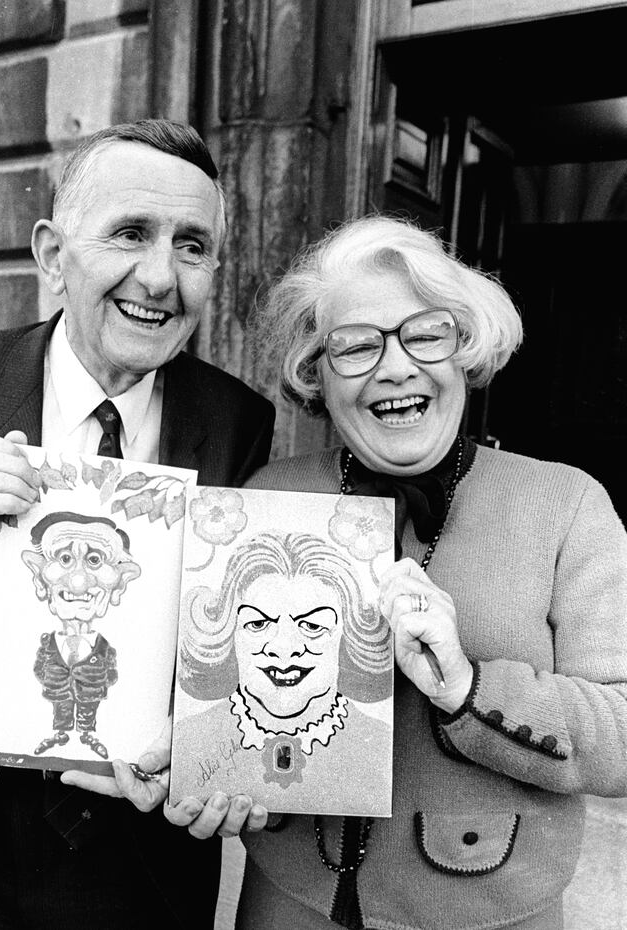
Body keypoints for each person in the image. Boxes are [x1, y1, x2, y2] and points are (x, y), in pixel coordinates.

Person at [0, 118, 275, 930]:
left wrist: (218, 752)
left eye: (192, 246)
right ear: (51, 255)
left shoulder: (238, 420)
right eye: (130, 234)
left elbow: (233, 638)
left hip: (137, 858)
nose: (159, 277)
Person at [167, 215, 627, 929]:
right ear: (316, 372)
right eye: (355, 345)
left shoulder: (565, 505)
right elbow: (223, 701)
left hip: (488, 911)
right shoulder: (271, 496)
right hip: (291, 905)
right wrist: (210, 770)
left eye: (426, 334)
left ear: (465, 347)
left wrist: (469, 687)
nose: (396, 367)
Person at [171, 530, 392, 814]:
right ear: (229, 633)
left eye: (312, 626)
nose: (284, 648)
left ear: (347, 636)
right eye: (258, 624)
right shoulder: (187, 741)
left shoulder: (380, 747)